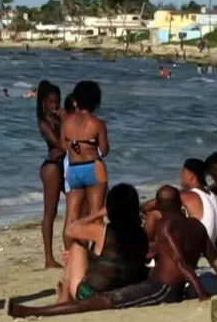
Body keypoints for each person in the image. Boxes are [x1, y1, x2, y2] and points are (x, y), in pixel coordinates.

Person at [7, 186, 217, 318]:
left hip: (161, 289)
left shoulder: (164, 226)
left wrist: (202, 294)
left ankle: (34, 310)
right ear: (179, 205)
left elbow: (180, 262)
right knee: (103, 298)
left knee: (97, 302)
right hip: (151, 282)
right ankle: (36, 308)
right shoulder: (194, 226)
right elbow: (216, 260)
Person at [55, 184, 149, 304]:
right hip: (122, 291)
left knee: (76, 246)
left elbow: (70, 229)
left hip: (91, 295)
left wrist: (98, 214)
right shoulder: (141, 233)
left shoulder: (103, 231)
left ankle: (64, 297)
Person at [61, 81, 109, 249]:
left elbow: (63, 147)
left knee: (72, 216)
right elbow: (104, 149)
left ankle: (70, 254)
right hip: (93, 167)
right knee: (96, 215)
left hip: (74, 169)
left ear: (76, 100)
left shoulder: (66, 123)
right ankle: (96, 253)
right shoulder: (97, 123)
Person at [143, 159, 217, 247]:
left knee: (155, 214)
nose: (180, 175)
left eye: (183, 172)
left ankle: (145, 247)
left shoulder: (188, 195)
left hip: (197, 247)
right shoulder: (211, 194)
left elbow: (149, 205)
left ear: (191, 176)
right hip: (210, 244)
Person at [36, 81, 65, 269]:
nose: (55, 106)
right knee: (50, 212)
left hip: (63, 164)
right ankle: (48, 258)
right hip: (52, 168)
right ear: (44, 103)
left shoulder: (60, 119)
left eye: (57, 101)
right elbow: (60, 144)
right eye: (51, 102)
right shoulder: (44, 123)